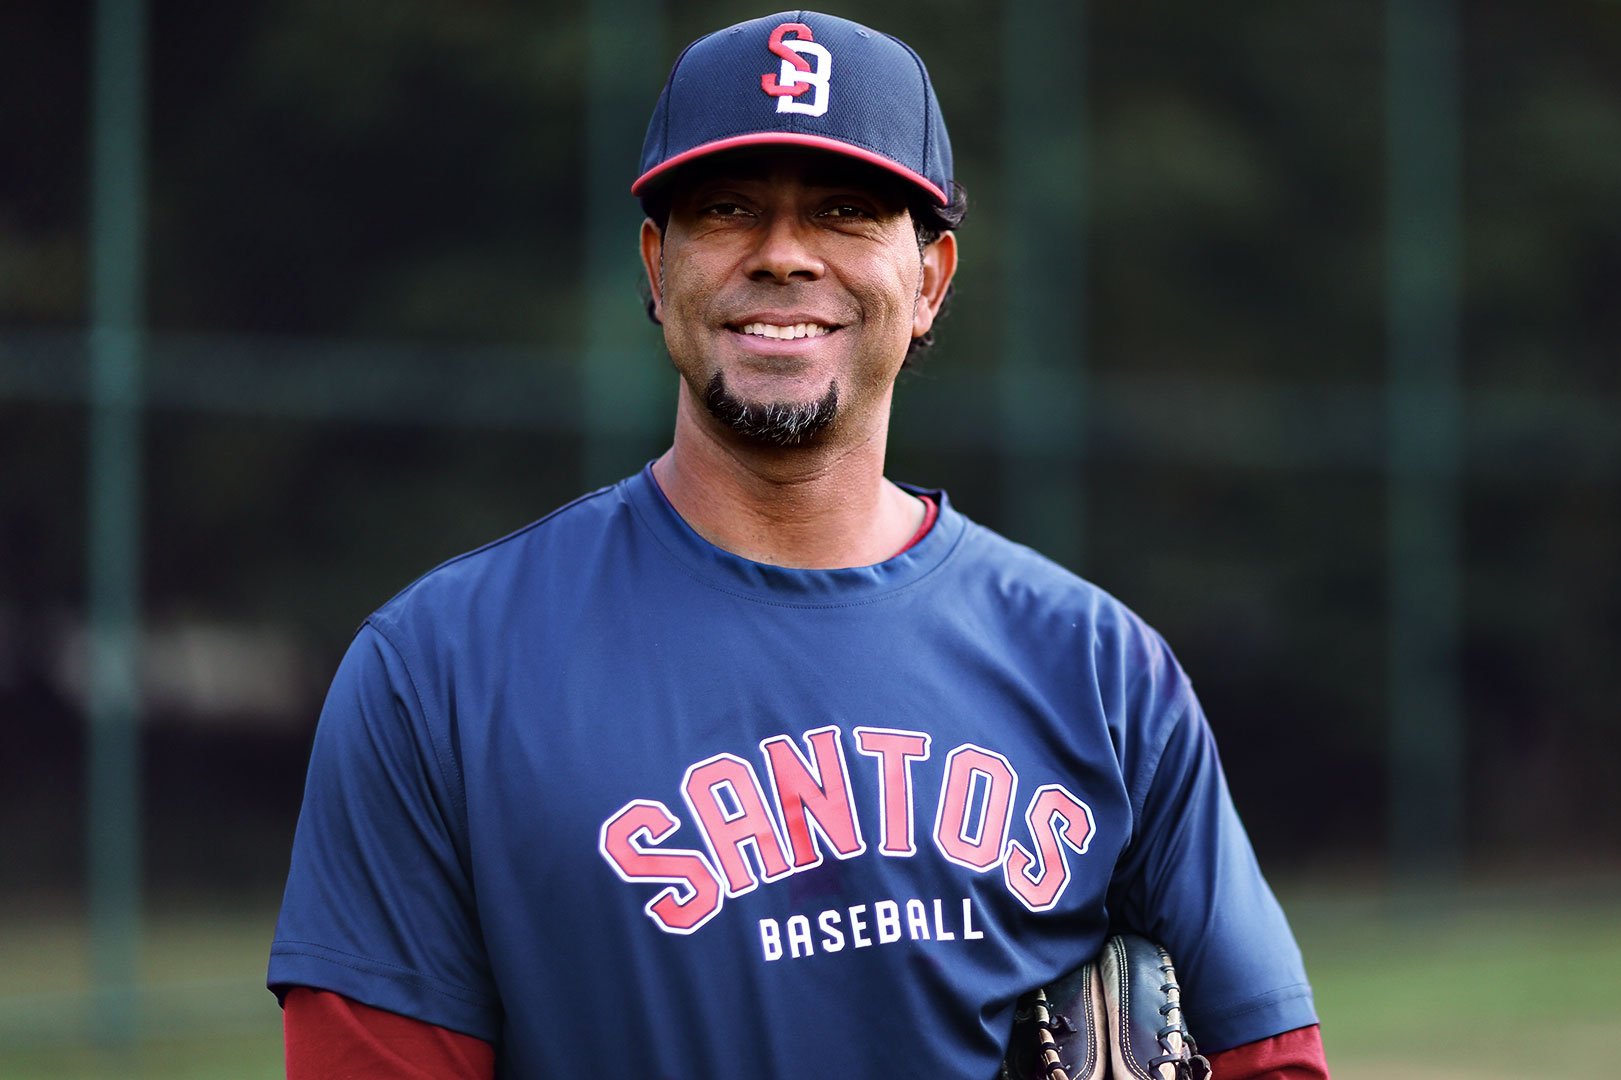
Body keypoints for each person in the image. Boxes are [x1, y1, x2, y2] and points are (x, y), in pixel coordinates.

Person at [268, 11, 1327, 1079]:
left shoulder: (1103, 674)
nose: (782, 255)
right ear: (656, 263)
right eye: (728, 209)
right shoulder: (440, 672)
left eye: (846, 212)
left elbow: (1271, 1056)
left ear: (929, 281)